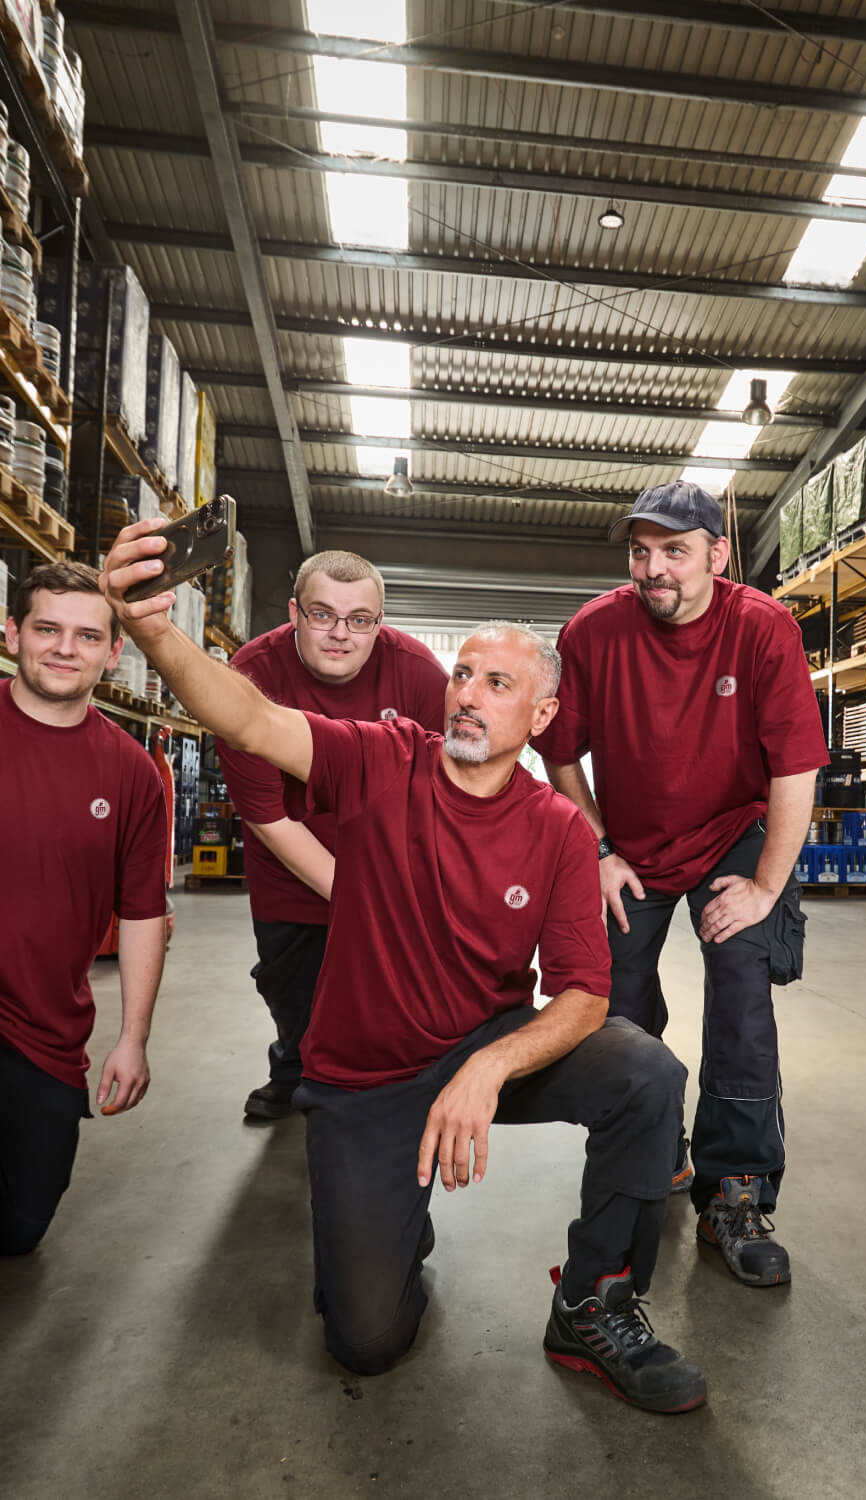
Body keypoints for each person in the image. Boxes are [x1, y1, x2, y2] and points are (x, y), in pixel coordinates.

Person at [100, 521, 706, 1414]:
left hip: (479, 1046)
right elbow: (250, 717)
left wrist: (488, 1068)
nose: (466, 694)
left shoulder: (557, 831)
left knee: (646, 1073)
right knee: (367, 1342)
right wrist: (152, 629)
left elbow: (583, 993)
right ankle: (388, 1226)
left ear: (539, 719)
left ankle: (593, 1302)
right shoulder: (384, 760)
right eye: (461, 673)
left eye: (497, 683)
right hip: (365, 1076)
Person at [534, 480, 828, 1289]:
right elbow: (559, 752)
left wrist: (767, 887)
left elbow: (795, 769)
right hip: (632, 841)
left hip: (736, 829)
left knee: (740, 987)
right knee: (616, 1004)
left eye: (673, 550)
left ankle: (734, 1190)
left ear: (716, 555)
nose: (653, 568)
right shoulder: (593, 631)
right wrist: (595, 848)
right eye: (640, 551)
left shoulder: (762, 628)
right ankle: (652, 1150)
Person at [215, 550, 446, 1122]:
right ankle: (291, 1067)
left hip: (386, 870)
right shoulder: (251, 675)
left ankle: (368, 1092)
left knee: (379, 1000)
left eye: (360, 620)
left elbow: (449, 784)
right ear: (294, 612)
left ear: (379, 623)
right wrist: (363, 897)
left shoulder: (417, 673)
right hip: (290, 872)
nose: (341, 634)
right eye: (323, 615)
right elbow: (271, 816)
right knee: (291, 991)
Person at [0, 561, 167, 1255]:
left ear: (113, 650)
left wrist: (133, 1037)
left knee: (20, 1229)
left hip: (44, 1031)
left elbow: (142, 914)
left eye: (86, 635)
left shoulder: (131, 771)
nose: (65, 648)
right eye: (47, 629)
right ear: (12, 635)